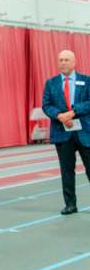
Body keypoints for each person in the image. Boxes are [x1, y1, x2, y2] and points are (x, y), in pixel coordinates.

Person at [42, 49, 90, 215]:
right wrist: (59, 115)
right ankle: (70, 204)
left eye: (66, 60)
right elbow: (46, 105)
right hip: (63, 132)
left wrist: (73, 112)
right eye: (61, 60)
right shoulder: (51, 83)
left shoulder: (87, 80)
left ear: (74, 62)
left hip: (85, 132)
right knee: (67, 171)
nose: (63, 63)